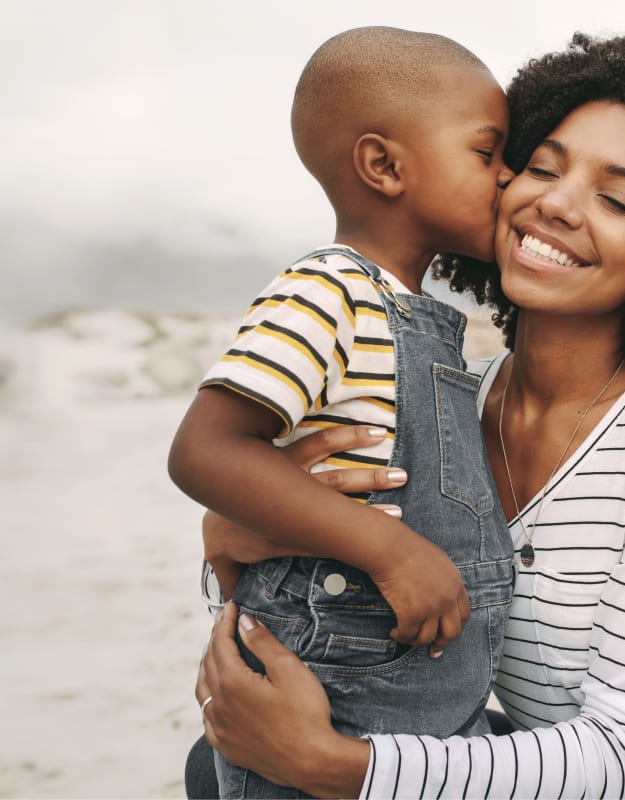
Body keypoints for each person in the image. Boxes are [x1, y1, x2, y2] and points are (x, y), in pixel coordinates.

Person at [194, 29, 625, 798]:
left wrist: (335, 767)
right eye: (538, 168)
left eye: (615, 200)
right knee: (215, 766)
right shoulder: (446, 395)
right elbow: (328, 565)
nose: (555, 202)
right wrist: (238, 531)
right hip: (543, 765)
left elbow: (623, 755)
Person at [167, 26, 516, 800]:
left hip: (419, 706)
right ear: (385, 165)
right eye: (487, 153)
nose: (509, 178)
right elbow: (206, 449)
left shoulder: (412, 310)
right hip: (333, 688)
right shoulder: (326, 289)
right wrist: (393, 554)